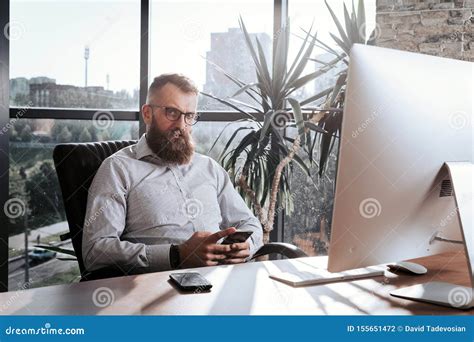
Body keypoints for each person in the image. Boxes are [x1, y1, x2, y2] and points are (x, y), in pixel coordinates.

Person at [82, 73, 263, 274]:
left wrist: (247, 247)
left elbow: (249, 223)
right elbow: (95, 252)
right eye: (171, 113)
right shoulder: (118, 169)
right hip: (157, 290)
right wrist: (177, 255)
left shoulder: (210, 168)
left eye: (189, 116)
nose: (181, 125)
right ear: (147, 113)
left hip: (220, 283)